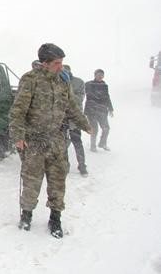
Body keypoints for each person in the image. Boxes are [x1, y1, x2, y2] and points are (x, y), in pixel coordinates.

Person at [9, 43, 92, 238]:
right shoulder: (30, 80)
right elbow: (18, 110)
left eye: (62, 62)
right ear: (44, 63)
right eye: (57, 63)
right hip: (34, 141)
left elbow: (71, 107)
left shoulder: (62, 81)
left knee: (57, 181)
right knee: (31, 181)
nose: (60, 66)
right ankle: (27, 214)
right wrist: (18, 136)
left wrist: (84, 124)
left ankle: (55, 218)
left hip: (56, 140)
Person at [62, 65, 88, 177]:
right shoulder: (56, 82)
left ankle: (82, 165)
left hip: (74, 117)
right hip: (61, 118)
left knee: (77, 142)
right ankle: (65, 165)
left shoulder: (79, 82)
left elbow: (79, 99)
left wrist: (67, 95)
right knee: (62, 144)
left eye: (66, 71)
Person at [84, 69, 114, 152]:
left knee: (106, 128)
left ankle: (102, 143)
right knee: (94, 129)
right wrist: (100, 99)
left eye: (102, 74)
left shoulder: (104, 85)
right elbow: (89, 95)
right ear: (95, 75)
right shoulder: (88, 84)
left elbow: (107, 97)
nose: (100, 76)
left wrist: (111, 108)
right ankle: (92, 146)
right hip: (91, 111)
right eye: (98, 74)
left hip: (102, 111)